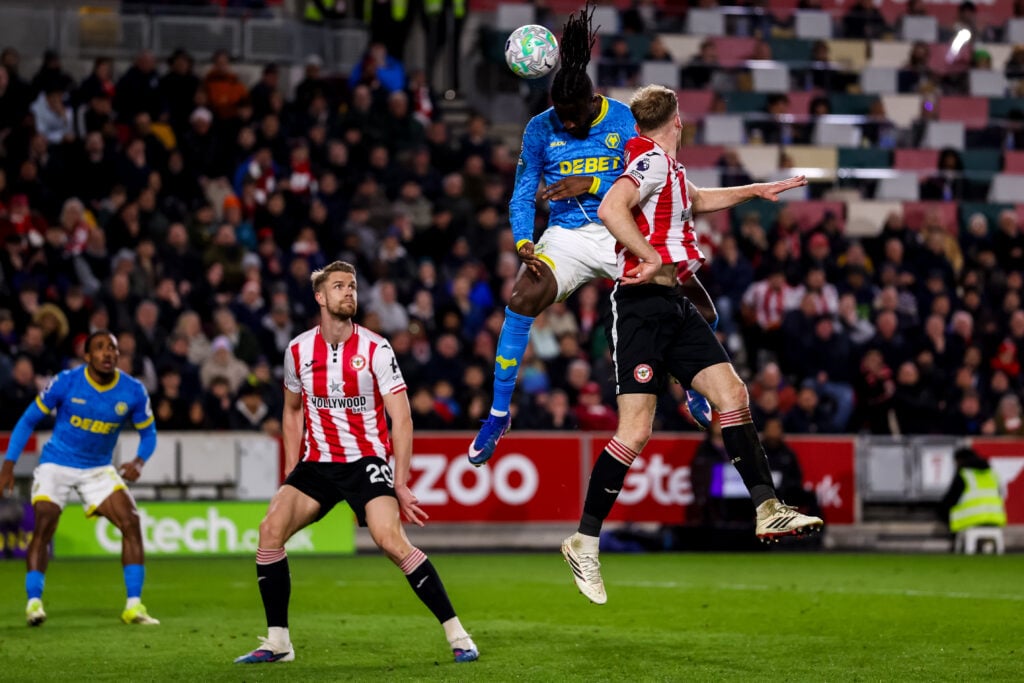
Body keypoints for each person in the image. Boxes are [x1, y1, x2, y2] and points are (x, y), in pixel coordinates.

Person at [561, 85, 823, 605]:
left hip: (674, 304)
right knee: (635, 431)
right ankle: (583, 541)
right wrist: (649, 255)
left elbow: (698, 200)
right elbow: (613, 208)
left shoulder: (669, 170)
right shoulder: (649, 160)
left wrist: (755, 190)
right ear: (677, 120)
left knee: (734, 395)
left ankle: (767, 507)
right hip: (640, 308)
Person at [468, 2, 716, 466]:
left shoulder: (624, 121)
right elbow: (522, 195)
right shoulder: (539, 129)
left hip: (623, 231)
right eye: (560, 114)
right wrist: (523, 241)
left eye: (573, 114)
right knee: (521, 298)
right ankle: (499, 414)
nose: (566, 122)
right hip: (567, 236)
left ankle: (694, 384)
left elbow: (655, 181)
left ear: (591, 101)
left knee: (700, 307)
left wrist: (593, 184)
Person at [234, 261, 478, 665]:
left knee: (391, 541)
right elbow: (292, 410)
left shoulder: (376, 348)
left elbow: (402, 417)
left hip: (365, 461)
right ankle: (278, 642)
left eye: (352, 286)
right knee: (269, 530)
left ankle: (458, 633)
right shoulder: (297, 350)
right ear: (320, 297)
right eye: (339, 286)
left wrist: (400, 481)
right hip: (317, 463)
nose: (349, 292)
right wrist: (292, 470)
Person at [0, 331, 159, 626]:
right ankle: (34, 602)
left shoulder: (133, 390)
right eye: (99, 348)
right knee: (45, 524)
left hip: (98, 468)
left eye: (112, 348)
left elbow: (148, 433)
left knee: (131, 521)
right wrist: (8, 465)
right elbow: (28, 419)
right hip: (56, 464)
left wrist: (139, 461)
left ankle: (134, 606)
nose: (107, 353)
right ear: (87, 356)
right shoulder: (66, 381)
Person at [940, 447, 1007, 548]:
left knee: (943, 510)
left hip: (970, 519)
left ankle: (956, 543)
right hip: (996, 519)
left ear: (959, 460)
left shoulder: (964, 474)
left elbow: (950, 500)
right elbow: (1002, 495)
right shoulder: (992, 474)